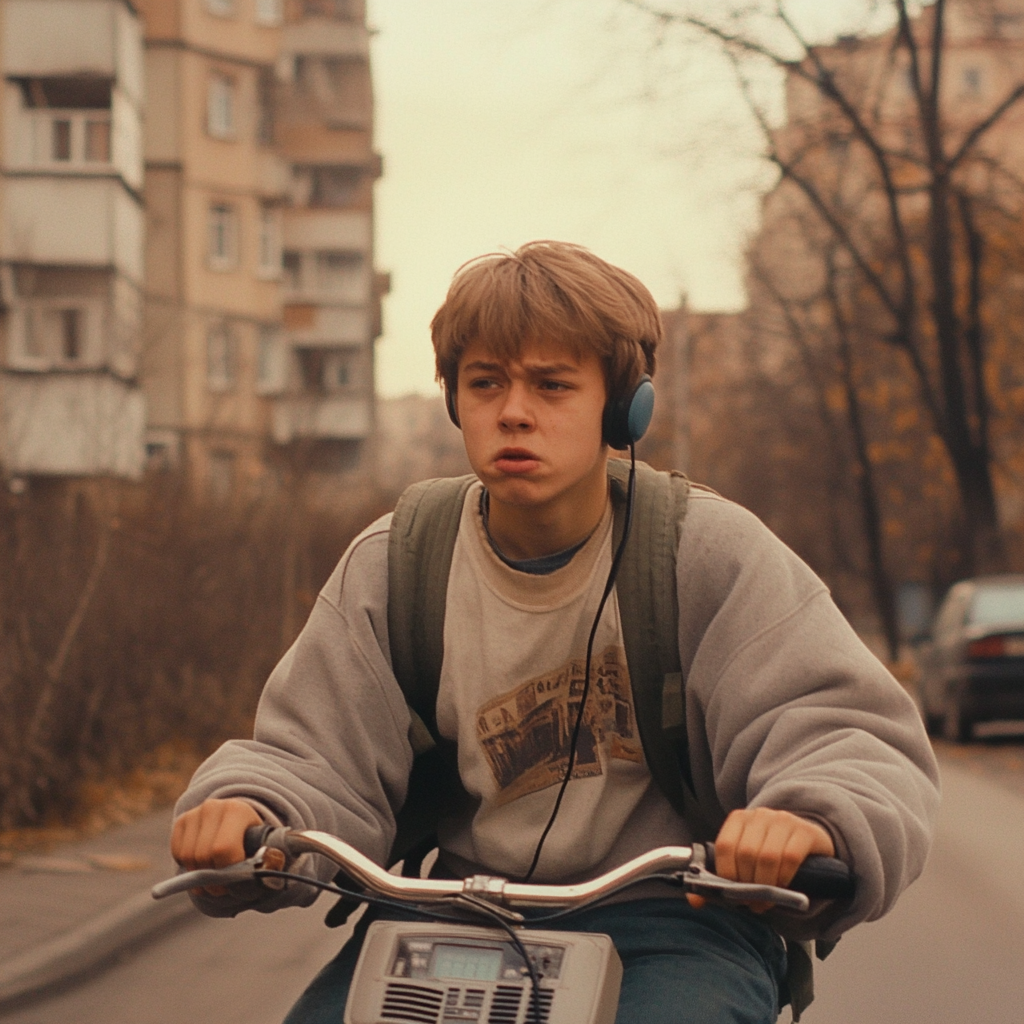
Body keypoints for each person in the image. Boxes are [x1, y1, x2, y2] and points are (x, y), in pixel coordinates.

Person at [171, 241, 940, 1024]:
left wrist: (810, 818)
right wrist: (250, 813)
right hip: (456, 908)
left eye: (551, 384)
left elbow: (844, 733)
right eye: (486, 382)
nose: (512, 409)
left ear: (623, 408)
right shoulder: (399, 560)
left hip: (674, 920)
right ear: (454, 401)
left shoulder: (706, 553)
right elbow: (315, 756)